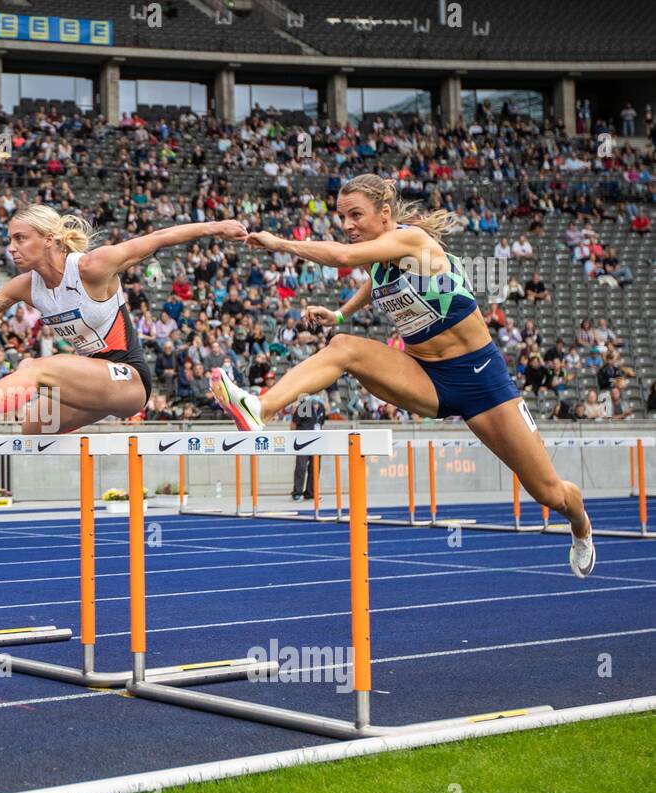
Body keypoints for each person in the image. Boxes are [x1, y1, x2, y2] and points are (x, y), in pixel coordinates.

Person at [215, 174, 596, 577]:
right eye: (342, 217)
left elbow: (343, 260)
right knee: (342, 345)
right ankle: (260, 407)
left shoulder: (415, 243)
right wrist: (340, 314)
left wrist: (281, 243)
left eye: (355, 215)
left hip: (482, 381)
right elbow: (374, 283)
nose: (347, 226)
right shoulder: (379, 257)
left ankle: (581, 525)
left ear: (385, 213)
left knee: (548, 492)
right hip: (426, 377)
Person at [0, 205, 248, 433]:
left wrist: (216, 227)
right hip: (91, 383)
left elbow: (156, 238)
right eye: (9, 240)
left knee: (32, 367)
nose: (11, 248)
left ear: (49, 239)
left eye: (20, 238)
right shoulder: (27, 286)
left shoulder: (91, 267)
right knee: (34, 426)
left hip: (128, 378)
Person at [290, 391, 327, 501]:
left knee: (315, 467)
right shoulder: (304, 406)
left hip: (316, 441)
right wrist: (294, 439)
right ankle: (297, 492)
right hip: (302, 442)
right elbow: (293, 424)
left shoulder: (321, 407)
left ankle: (310, 492)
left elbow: (321, 423)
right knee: (301, 467)